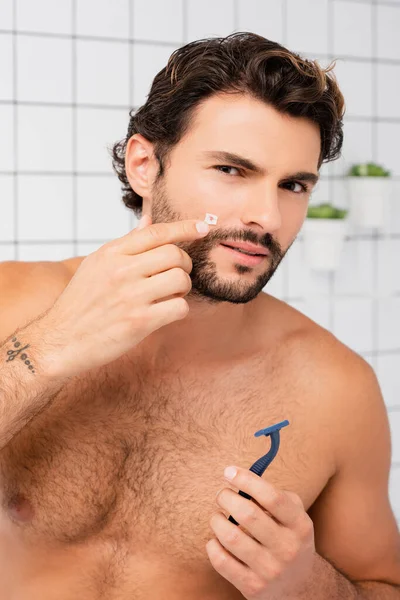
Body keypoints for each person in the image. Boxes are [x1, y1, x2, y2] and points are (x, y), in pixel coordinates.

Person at [0, 32, 399, 600]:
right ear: (144, 164)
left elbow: (381, 585)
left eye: (293, 185)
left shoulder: (337, 389)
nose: (266, 216)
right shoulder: (10, 301)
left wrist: (306, 584)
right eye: (232, 171)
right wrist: (48, 350)